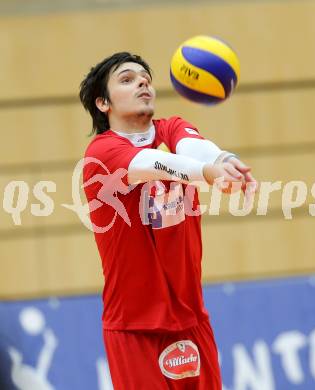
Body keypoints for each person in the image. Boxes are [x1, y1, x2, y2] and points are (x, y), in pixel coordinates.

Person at [79, 52, 256, 389]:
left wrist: (226, 161)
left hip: (191, 319)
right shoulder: (101, 153)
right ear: (103, 103)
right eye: (127, 79)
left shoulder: (172, 128)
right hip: (134, 329)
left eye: (145, 77)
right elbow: (155, 164)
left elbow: (196, 148)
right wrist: (208, 173)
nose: (142, 82)